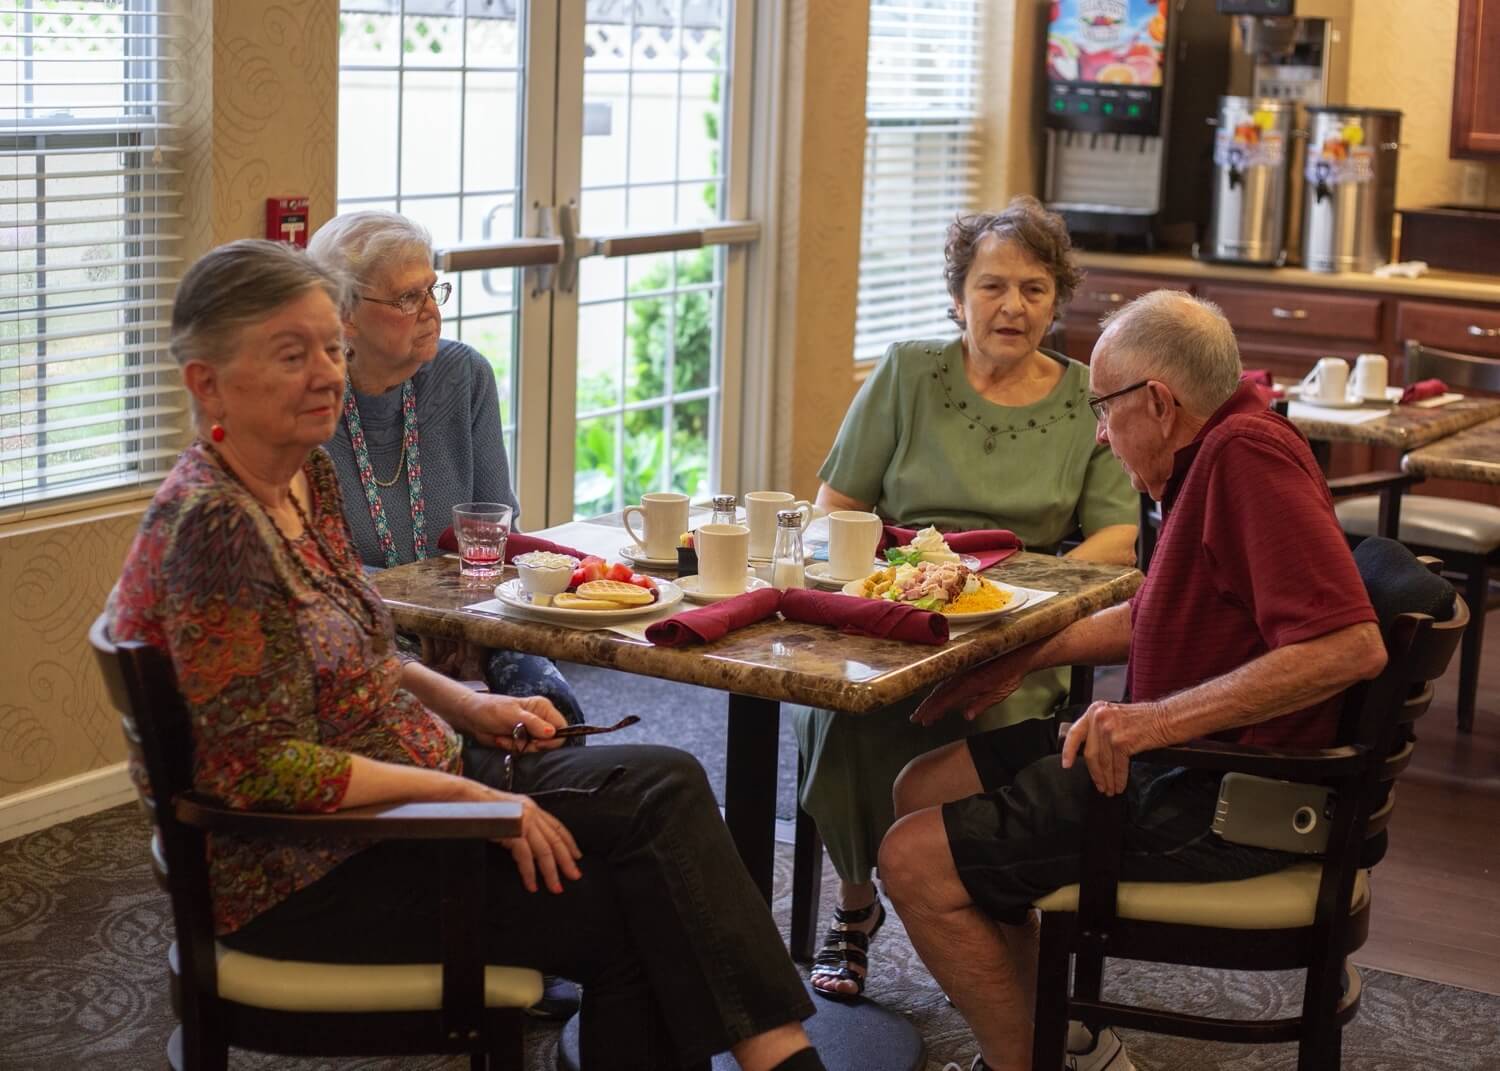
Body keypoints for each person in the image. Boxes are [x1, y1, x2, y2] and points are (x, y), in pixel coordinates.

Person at [108, 240, 826, 1071]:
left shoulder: (304, 481)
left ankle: (780, 1055)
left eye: (332, 348)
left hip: (398, 812)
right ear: (207, 381)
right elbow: (265, 772)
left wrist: (467, 706)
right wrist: (469, 794)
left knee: (666, 782)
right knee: (645, 901)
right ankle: (786, 1058)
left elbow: (359, 650)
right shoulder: (216, 528)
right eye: (292, 353)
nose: (328, 373)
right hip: (307, 874)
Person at [877, 290, 1389, 1071]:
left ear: (1157, 401)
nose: (1100, 432)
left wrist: (1147, 723)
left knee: (911, 857)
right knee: (924, 786)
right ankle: (1061, 1036)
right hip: (1178, 760)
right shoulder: (1217, 446)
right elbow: (1162, 607)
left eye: (1103, 410)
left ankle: (1023, 1061)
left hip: (1224, 793)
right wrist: (1028, 654)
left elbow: (1350, 645)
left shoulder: (1245, 458)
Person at [791, 196, 1139, 1000]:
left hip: (1016, 638)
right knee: (843, 714)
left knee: (988, 721)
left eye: (1034, 288)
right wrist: (894, 580)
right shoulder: (908, 371)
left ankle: (980, 919)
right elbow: (834, 509)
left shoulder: (1091, 396)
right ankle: (855, 904)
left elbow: (1119, 539)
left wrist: (1018, 599)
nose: (1012, 306)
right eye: (991, 286)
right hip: (897, 615)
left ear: (1057, 301)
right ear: (958, 296)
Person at [308, 210, 583, 726]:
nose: (431, 311)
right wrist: (424, 607)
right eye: (407, 298)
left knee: (552, 716)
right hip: (368, 641)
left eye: (433, 291)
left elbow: (501, 537)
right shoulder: (310, 405)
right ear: (343, 314)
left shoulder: (464, 375)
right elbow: (319, 583)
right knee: (439, 732)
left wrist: (469, 626)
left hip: (477, 623)